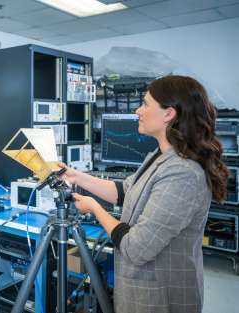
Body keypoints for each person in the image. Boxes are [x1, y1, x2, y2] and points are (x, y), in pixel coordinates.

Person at [59, 75, 229, 313]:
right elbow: (125, 191)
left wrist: (94, 208)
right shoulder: (160, 156)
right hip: (140, 289)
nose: (138, 110)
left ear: (169, 114)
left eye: (146, 104)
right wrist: (76, 176)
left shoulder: (183, 174)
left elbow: (135, 248)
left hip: (161, 297)